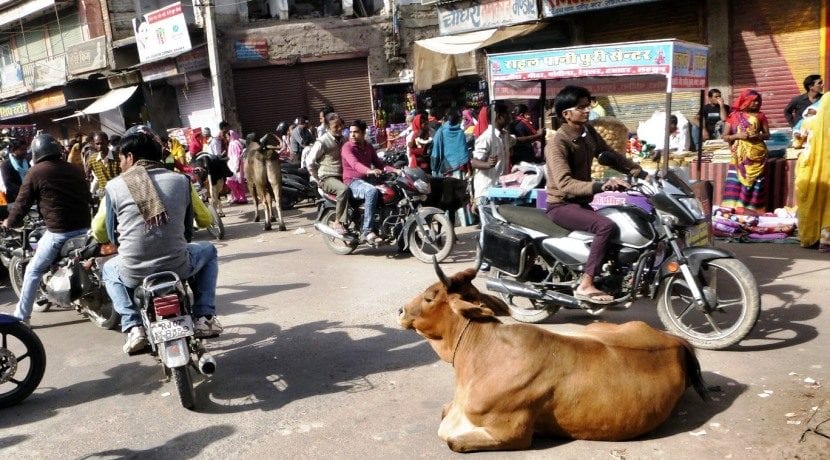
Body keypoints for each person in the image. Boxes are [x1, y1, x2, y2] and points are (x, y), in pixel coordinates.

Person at [92, 127, 220, 354]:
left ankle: (133, 326)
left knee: (109, 269)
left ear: (130, 157)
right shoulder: (181, 181)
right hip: (178, 266)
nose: (120, 165)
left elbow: (103, 234)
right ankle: (205, 316)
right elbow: (201, 221)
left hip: (133, 271)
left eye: (121, 158)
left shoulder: (114, 186)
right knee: (208, 250)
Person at [545, 85, 645, 304]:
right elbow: (565, 184)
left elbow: (607, 154)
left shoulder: (587, 133)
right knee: (605, 226)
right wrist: (603, 185)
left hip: (580, 203)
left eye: (587, 106)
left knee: (623, 220)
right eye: (581, 107)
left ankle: (608, 277)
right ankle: (586, 283)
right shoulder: (558, 143)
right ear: (566, 114)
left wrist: (638, 170)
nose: (587, 110)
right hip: (561, 205)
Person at [2, 134, 92, 324]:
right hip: (85, 229)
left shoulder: (36, 172)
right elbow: (87, 195)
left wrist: (9, 222)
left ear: (36, 153)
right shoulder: (73, 169)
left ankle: (21, 316)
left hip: (59, 233)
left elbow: (22, 203)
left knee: (33, 270)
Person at [341, 119, 396, 244]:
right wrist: (369, 171)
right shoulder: (347, 147)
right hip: (352, 181)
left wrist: (396, 170)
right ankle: (367, 230)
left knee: (391, 189)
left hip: (366, 179)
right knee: (372, 191)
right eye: (351, 132)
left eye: (356, 132)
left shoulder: (368, 146)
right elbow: (355, 164)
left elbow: (379, 164)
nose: (352, 135)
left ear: (363, 132)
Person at [721, 89, 771, 214]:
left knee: (755, 184)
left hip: (756, 156)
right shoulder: (733, 116)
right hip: (739, 156)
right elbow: (725, 136)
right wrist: (738, 136)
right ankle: (732, 209)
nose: (756, 104)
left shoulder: (761, 116)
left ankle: (752, 210)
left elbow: (767, 135)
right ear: (745, 102)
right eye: (753, 101)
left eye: (758, 101)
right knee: (736, 182)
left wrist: (757, 136)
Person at [795, 94, 830, 251]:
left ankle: (809, 238)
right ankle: (825, 241)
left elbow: (797, 143)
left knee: (811, 202)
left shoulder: (809, 122)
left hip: (809, 170)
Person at [308, 112, 348, 235]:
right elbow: (309, 162)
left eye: (341, 125)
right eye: (336, 126)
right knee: (343, 190)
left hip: (343, 175)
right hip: (327, 177)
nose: (339, 128)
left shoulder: (344, 139)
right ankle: (338, 222)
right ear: (328, 127)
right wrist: (317, 178)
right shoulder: (322, 141)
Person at [471, 102, 515, 207]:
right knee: (489, 223)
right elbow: (474, 162)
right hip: (487, 192)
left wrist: (537, 135)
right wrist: (487, 164)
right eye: (508, 114)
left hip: (501, 190)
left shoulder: (504, 135)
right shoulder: (487, 137)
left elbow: (517, 140)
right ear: (499, 117)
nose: (510, 117)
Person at [430, 110, 469, 178]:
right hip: (460, 169)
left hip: (446, 169)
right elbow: (464, 152)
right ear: (458, 120)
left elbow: (436, 150)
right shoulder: (460, 132)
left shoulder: (441, 131)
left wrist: (434, 167)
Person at [86, 132, 121, 198]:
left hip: (118, 194)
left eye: (102, 143)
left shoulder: (118, 157)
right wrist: (89, 176)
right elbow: (88, 174)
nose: (100, 146)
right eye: (97, 144)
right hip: (103, 195)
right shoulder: (93, 159)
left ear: (108, 142)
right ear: (94, 144)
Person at [0, 139, 30, 203]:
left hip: (28, 197)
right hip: (14, 199)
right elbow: (8, 184)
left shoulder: (26, 162)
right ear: (13, 150)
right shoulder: (6, 165)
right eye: (22, 149)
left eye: (25, 149)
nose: (25, 152)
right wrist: (24, 192)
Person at [225, 130, 248, 204]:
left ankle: (242, 198)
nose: (227, 138)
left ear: (231, 136)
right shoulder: (232, 143)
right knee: (232, 181)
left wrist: (237, 166)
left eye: (228, 136)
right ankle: (237, 197)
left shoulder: (235, 143)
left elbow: (238, 156)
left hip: (236, 165)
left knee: (238, 182)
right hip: (232, 165)